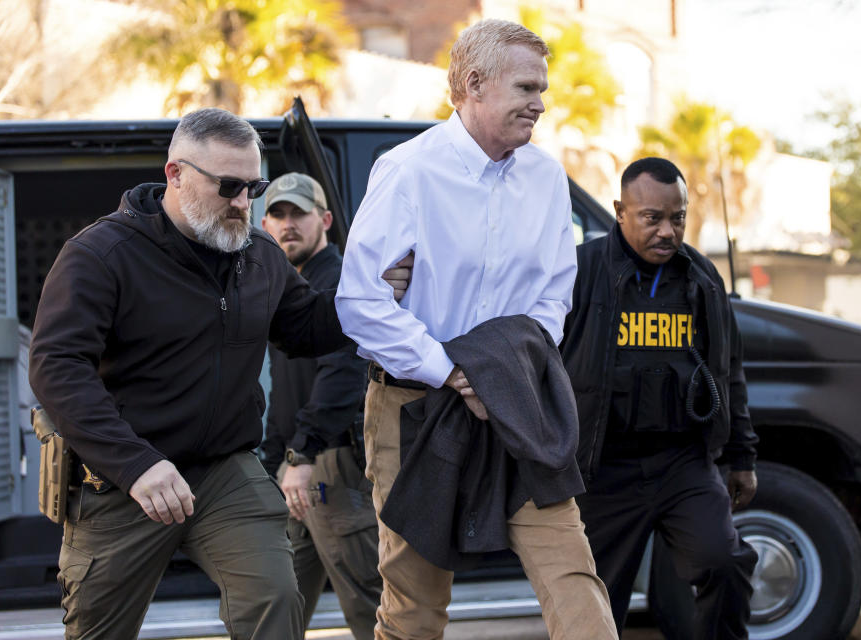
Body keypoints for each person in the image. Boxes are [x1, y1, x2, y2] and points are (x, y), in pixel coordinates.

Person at [28, 108, 403, 640]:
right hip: (124, 477)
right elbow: (57, 368)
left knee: (274, 600)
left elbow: (309, 328)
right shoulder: (100, 255)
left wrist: (377, 293)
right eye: (228, 186)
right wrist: (135, 465)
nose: (242, 203)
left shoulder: (260, 254)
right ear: (175, 175)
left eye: (253, 187)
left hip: (224, 471)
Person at [335, 19, 617, 640]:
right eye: (526, 88)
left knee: (573, 576)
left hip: (516, 407)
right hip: (416, 408)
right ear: (473, 84)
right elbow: (359, 302)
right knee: (414, 606)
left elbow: (553, 294)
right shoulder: (407, 171)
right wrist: (456, 371)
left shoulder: (545, 177)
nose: (539, 103)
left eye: (542, 88)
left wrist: (504, 371)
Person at [560, 157, 759, 639]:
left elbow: (728, 372)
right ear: (620, 211)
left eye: (678, 218)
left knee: (725, 562)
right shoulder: (578, 271)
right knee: (594, 607)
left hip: (682, 464)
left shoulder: (702, 278)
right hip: (603, 472)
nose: (667, 232)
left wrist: (741, 457)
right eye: (652, 218)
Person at [259, 172, 381, 640]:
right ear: (265, 225)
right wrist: (278, 459)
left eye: (299, 214)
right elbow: (286, 391)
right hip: (297, 470)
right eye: (279, 215)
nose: (288, 225)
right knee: (277, 601)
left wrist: (302, 455)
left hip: (331, 467)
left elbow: (343, 375)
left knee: (369, 603)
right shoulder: (286, 288)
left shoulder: (338, 282)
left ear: (325, 220)